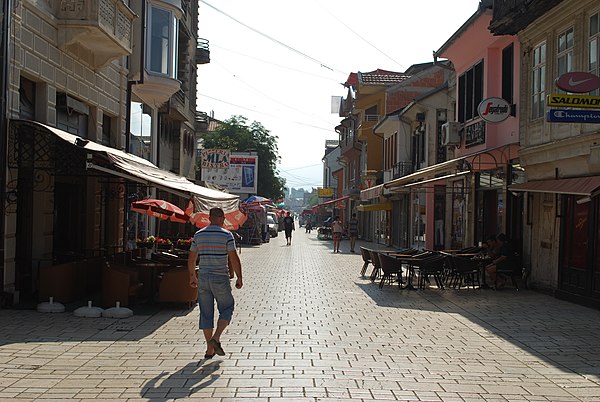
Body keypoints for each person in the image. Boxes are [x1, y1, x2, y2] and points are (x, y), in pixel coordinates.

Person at [188, 207, 243, 359]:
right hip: (220, 278)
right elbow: (233, 258)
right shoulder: (226, 235)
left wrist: (192, 276)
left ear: (209, 217)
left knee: (206, 313)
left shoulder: (198, 235)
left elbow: (192, 258)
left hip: (203, 278)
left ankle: (209, 349)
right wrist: (239, 277)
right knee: (227, 308)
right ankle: (216, 337)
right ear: (221, 218)